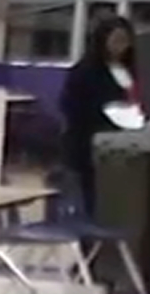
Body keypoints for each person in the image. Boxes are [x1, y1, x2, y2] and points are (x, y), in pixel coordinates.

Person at [58, 13, 137, 217]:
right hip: (91, 144)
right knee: (93, 200)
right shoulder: (85, 71)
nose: (122, 46)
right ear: (103, 41)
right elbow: (69, 106)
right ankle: (92, 243)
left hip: (128, 145)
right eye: (116, 40)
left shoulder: (133, 71)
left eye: (126, 40)